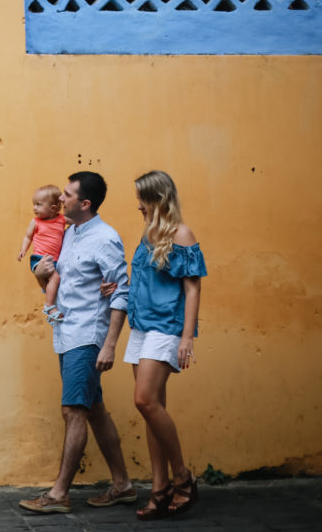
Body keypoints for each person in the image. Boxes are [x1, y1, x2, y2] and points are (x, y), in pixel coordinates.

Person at [19, 171, 135, 514]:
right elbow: (65, 286)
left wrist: (110, 344)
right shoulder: (68, 234)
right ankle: (123, 485)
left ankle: (58, 494)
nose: (60, 200)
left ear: (84, 203)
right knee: (94, 410)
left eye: (67, 195)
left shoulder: (105, 238)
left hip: (87, 336)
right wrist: (42, 283)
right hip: (68, 333)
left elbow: (121, 292)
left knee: (73, 411)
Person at [124, 171, 206, 520]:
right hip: (141, 326)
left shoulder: (181, 234)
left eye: (142, 198)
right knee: (151, 407)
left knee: (143, 399)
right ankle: (159, 489)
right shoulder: (147, 234)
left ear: (158, 199)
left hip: (166, 328)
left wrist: (186, 336)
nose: (137, 204)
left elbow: (192, 288)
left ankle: (182, 477)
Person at [17, 184, 67, 322]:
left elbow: (75, 220)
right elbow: (28, 236)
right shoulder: (35, 222)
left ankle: (51, 304)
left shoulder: (61, 220)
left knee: (53, 282)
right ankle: (49, 306)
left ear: (53, 208)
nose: (34, 208)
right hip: (39, 258)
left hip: (53, 260)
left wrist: (62, 199)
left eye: (38, 205)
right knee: (55, 279)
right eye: (34, 204)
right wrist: (23, 250)